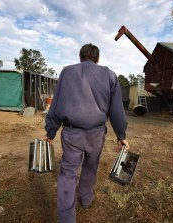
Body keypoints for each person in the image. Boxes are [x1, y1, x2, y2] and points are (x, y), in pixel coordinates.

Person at [44, 43, 129, 223]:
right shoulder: (109, 75)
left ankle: (67, 219)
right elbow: (117, 110)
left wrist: (50, 132)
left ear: (80, 57)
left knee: (68, 173)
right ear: (97, 59)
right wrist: (121, 136)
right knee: (91, 167)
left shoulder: (67, 72)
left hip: (72, 133)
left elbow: (57, 105)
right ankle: (87, 199)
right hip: (96, 134)